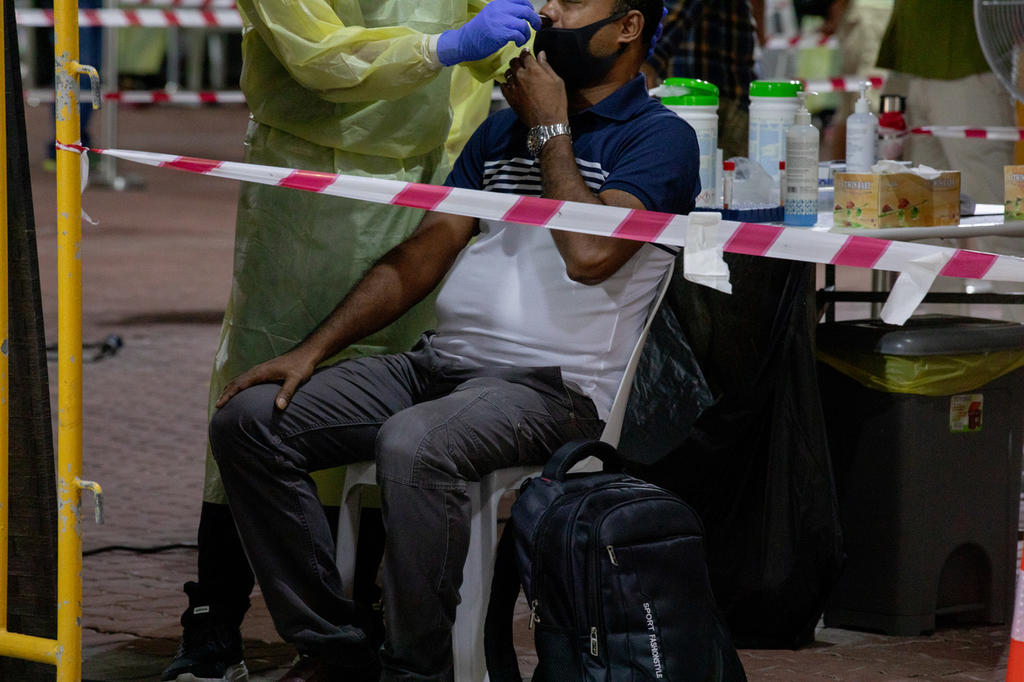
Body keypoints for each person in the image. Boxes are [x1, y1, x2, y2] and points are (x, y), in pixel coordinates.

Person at [209, 0, 699, 678]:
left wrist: (550, 129)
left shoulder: (659, 138)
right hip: (440, 367)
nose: (549, 9)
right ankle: (335, 647)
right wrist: (311, 351)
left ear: (627, 26)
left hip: (554, 390)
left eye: (571, 0)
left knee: (415, 442)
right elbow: (421, 256)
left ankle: (418, 667)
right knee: (250, 419)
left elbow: (589, 256)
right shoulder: (500, 133)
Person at [161, 2, 543, 681]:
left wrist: (527, 48)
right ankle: (215, 617)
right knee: (264, 387)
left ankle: (355, 625)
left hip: (427, 174)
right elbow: (317, 56)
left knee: (389, 405)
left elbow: (491, 36)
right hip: (308, 179)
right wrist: (444, 47)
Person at [642, 0, 763, 159]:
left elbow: (684, 8)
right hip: (689, 97)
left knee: (718, 169)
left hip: (717, 100)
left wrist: (650, 60)